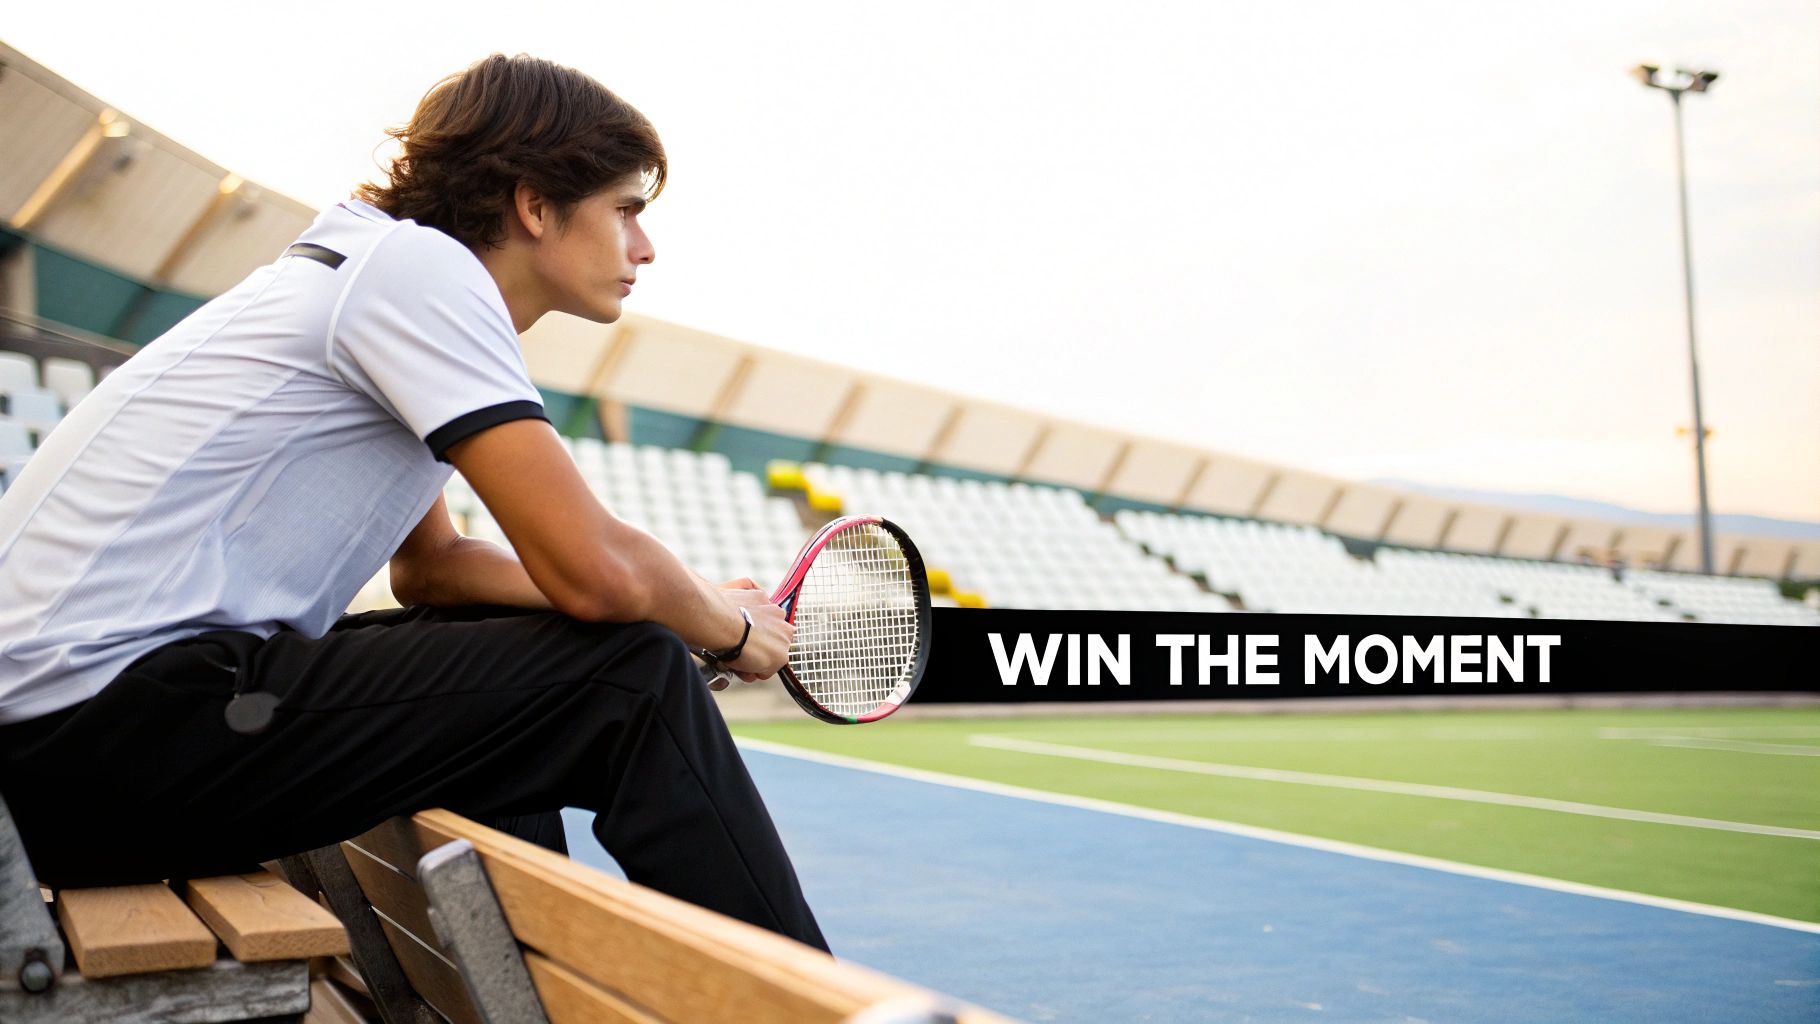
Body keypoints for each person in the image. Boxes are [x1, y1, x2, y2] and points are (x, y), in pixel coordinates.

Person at [0, 54, 827, 951]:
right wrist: (725, 627)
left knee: (580, 659)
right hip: (92, 735)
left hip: (83, 734)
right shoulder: (421, 274)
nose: (645, 246)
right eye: (626, 209)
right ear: (535, 204)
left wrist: (682, 602)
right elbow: (593, 573)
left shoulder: (379, 267)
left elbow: (435, 569)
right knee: (630, 677)